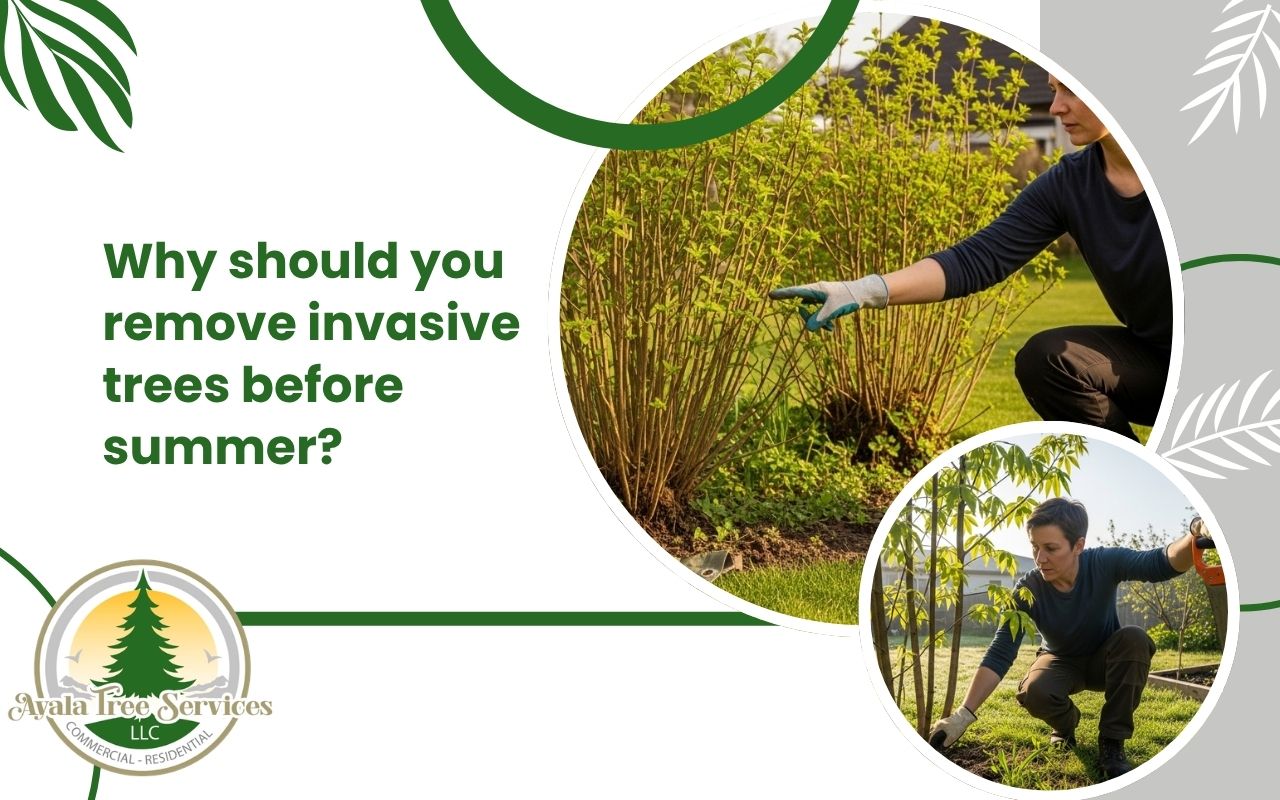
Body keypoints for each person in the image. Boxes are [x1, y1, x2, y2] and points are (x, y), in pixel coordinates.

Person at [769, 77, 1171, 440]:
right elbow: (977, 258)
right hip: (1156, 362)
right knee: (1048, 361)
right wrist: (864, 290)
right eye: (1053, 91)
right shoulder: (1070, 184)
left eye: (1072, 90)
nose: (1055, 107)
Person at [927, 498, 1198, 781]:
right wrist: (963, 714)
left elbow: (1161, 562)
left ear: (1078, 546)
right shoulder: (1027, 590)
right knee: (1034, 691)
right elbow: (1000, 651)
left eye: (1051, 548)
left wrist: (1195, 534)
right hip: (1058, 660)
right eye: (1035, 547)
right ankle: (1066, 726)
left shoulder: (1103, 563)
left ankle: (1112, 742)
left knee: (1134, 638)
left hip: (1105, 660)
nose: (1040, 558)